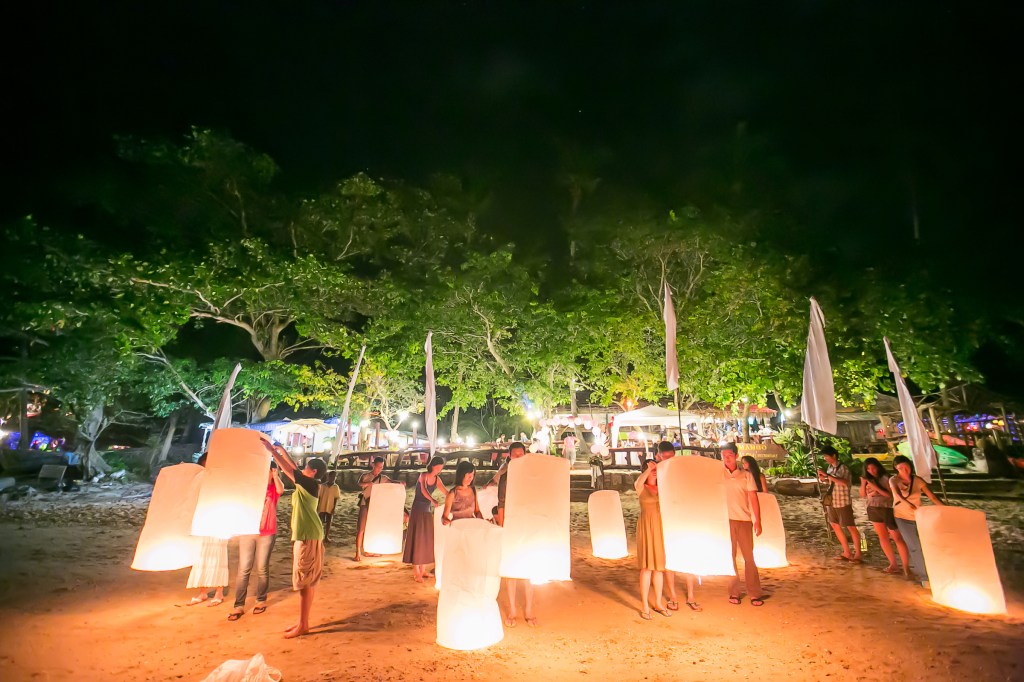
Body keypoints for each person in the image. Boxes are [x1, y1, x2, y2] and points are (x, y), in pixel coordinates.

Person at [265, 441, 327, 638]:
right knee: (307, 581)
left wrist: (273, 452)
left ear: (314, 471)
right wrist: (282, 450)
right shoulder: (308, 483)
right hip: (309, 534)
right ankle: (303, 622)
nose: (303, 469)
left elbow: (289, 469)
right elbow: (294, 468)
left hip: (307, 536)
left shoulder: (309, 484)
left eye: (307, 467)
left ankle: (303, 624)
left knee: (304, 582)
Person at [488, 441, 537, 626]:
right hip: (511, 524)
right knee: (511, 569)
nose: (518, 457)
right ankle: (512, 612)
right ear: (509, 456)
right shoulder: (506, 477)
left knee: (528, 568)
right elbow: (501, 503)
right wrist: (502, 526)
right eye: (514, 454)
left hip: (528, 524)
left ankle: (530, 610)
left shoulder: (532, 476)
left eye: (521, 454)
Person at [228, 461, 285, 621]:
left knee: (261, 568)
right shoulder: (251, 489)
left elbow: (281, 489)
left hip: (267, 532)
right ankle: (239, 604)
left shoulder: (273, 489)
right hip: (247, 531)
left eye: (268, 472)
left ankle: (260, 600)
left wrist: (275, 475)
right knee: (243, 569)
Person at [890, 454, 945, 585]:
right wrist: (909, 504)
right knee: (915, 546)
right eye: (900, 468)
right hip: (902, 517)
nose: (904, 470)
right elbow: (896, 494)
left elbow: (932, 496)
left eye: (906, 466)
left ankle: (934, 572)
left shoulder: (918, 480)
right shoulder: (893, 480)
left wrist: (945, 509)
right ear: (896, 469)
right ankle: (924, 577)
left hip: (919, 517)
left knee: (927, 544)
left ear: (910, 466)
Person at [723, 444, 764, 606]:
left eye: (730, 455)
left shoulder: (746, 475)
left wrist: (757, 520)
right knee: (730, 557)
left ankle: (754, 592)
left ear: (736, 455)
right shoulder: (718, 474)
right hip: (726, 521)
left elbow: (753, 498)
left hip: (744, 519)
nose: (727, 458)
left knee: (749, 557)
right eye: (724, 455)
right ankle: (734, 592)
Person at [186, 452, 228, 607]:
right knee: (200, 557)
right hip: (202, 522)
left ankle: (219, 592)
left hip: (218, 522)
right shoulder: (200, 480)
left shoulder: (221, 480)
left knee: (218, 557)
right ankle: (202, 592)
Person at [860, 457, 910, 576]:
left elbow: (889, 495)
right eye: (868, 469)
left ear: (878, 467)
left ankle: (906, 566)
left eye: (873, 468)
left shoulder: (886, 478)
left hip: (886, 508)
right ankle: (893, 564)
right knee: (882, 537)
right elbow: (863, 495)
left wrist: (875, 487)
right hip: (873, 508)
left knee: (897, 537)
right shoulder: (868, 480)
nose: (871, 470)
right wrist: (864, 483)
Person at [403, 456, 448, 582]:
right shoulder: (423, 475)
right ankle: (416, 572)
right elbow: (423, 490)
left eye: (441, 467)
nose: (439, 468)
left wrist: (454, 496)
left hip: (427, 510)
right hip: (418, 509)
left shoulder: (437, 479)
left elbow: (445, 491)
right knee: (417, 539)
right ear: (433, 465)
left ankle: (422, 571)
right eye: (438, 466)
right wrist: (433, 500)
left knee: (425, 540)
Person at [817, 445, 862, 563]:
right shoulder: (830, 468)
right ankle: (847, 551)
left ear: (833, 455)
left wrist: (828, 476)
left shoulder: (843, 468)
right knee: (835, 525)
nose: (825, 458)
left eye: (826, 456)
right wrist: (825, 479)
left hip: (843, 501)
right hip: (833, 501)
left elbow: (844, 482)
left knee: (850, 526)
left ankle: (858, 553)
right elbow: (832, 482)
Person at [354, 457, 400, 562]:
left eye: (381, 467)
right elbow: (358, 484)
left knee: (372, 527)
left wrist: (399, 483)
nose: (379, 469)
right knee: (361, 528)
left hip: (376, 505)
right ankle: (357, 553)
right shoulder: (365, 476)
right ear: (373, 465)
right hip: (365, 503)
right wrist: (367, 484)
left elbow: (391, 482)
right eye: (378, 466)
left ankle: (369, 549)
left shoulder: (382, 478)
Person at [317, 470, 342, 545]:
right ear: (328, 476)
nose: (333, 478)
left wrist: (334, 507)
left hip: (330, 506)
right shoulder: (323, 486)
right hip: (322, 505)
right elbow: (319, 497)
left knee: (329, 521)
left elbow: (336, 498)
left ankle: (326, 536)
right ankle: (320, 535)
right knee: (320, 521)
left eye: (334, 477)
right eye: (331, 476)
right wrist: (317, 506)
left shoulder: (336, 487)